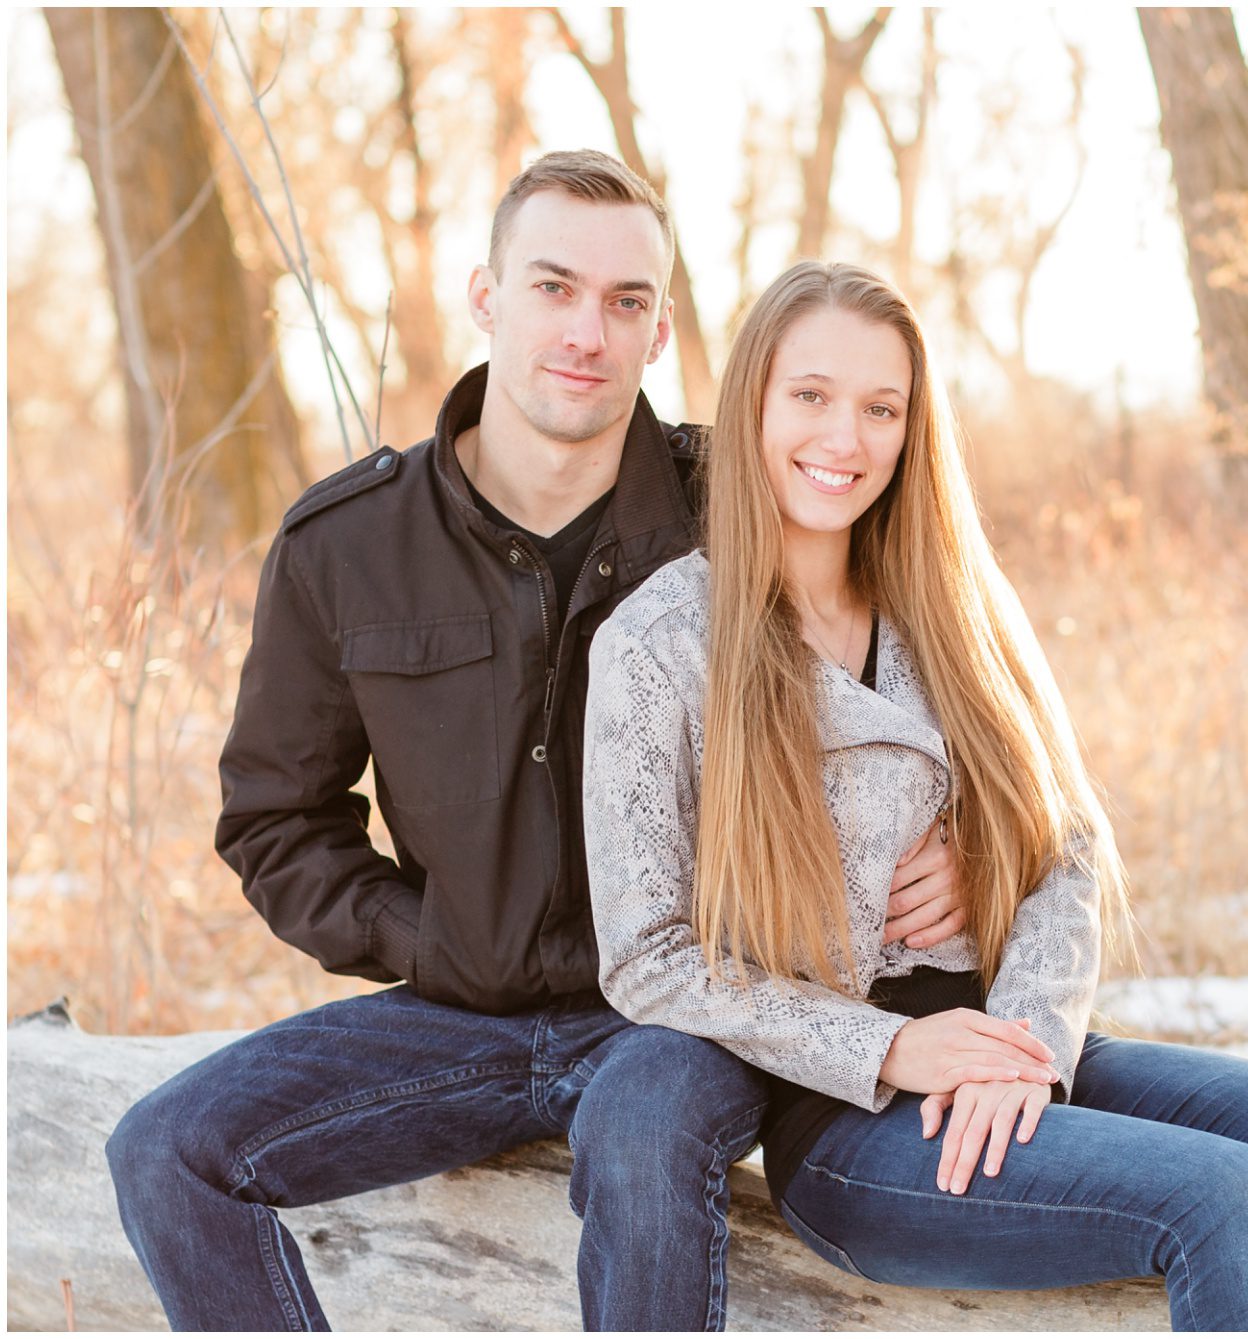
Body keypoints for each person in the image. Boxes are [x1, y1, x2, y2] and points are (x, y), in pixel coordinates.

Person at [103, 152, 969, 1332]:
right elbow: (274, 819)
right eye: (553, 287)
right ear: (485, 295)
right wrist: (425, 937)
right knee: (165, 1152)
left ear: (660, 333)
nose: (586, 332)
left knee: (641, 1128)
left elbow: (927, 679)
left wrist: (965, 840)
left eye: (625, 303)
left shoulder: (748, 502)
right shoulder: (344, 545)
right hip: (459, 1008)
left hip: (686, 1011)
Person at [582, 260, 1248, 1332]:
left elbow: (1068, 838)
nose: (845, 438)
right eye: (811, 397)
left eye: (881, 408)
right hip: (851, 1108)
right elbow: (647, 956)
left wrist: (1032, 1050)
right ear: (752, 404)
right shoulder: (662, 642)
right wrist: (892, 1050)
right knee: (1217, 1196)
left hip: (1001, 1040)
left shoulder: (951, 605)